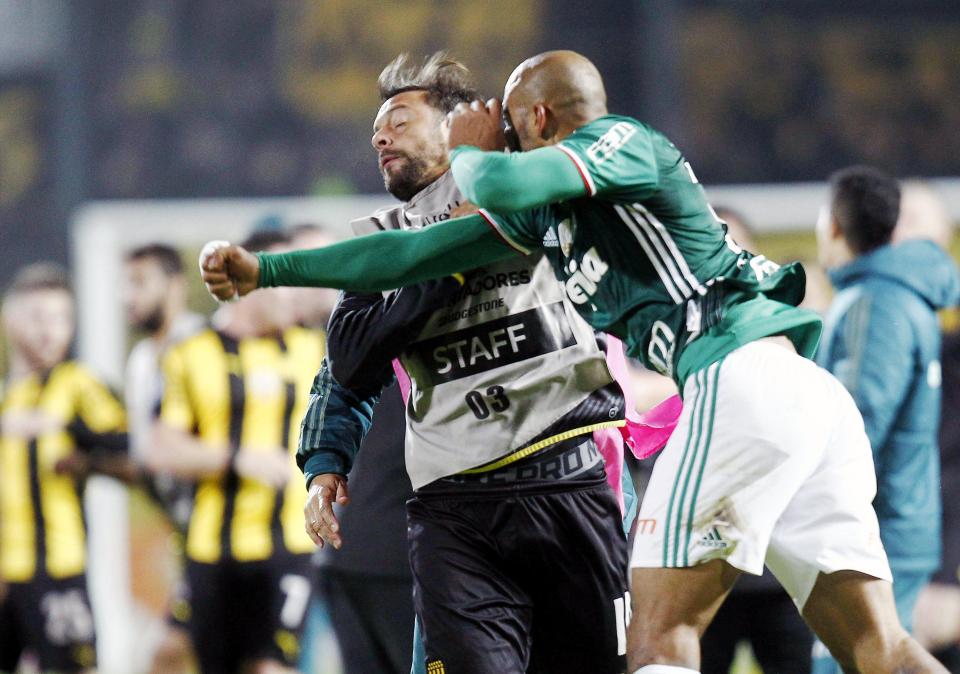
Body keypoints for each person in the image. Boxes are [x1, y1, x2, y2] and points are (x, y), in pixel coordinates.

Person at [199, 50, 947, 674]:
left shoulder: (618, 143)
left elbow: (500, 180)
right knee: (878, 646)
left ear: (537, 119)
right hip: (770, 401)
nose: (384, 138)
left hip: (726, 385)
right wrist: (268, 272)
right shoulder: (536, 213)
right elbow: (404, 253)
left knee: (656, 640)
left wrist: (470, 147)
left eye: (507, 119)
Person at [298, 53, 638, 674]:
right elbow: (343, 367)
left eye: (399, 121)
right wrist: (325, 462)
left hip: (570, 476)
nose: (380, 136)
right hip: (455, 509)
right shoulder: (381, 240)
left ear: (458, 125)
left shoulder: (534, 191)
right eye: (376, 129)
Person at [150, 230, 322, 674]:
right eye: (283, 276)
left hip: (289, 545)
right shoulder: (190, 354)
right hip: (212, 549)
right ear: (249, 279)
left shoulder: (314, 348)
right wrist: (235, 458)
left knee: (271, 668)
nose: (295, 290)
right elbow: (163, 448)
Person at [697, 208, 814, 674]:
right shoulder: (661, 331)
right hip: (703, 567)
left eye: (736, 247)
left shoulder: (786, 331)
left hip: (781, 568)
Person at [0, 263, 129, 674]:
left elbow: (126, 442)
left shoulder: (77, 384)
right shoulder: (6, 398)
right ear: (10, 320)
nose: (50, 331)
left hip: (59, 568)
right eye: (39, 317)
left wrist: (74, 441)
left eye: (61, 319)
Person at [122, 243, 205, 674]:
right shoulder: (140, 362)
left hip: (221, 529)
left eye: (139, 282)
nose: (127, 296)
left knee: (166, 654)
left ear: (175, 286)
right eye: (124, 284)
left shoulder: (203, 346)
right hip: (183, 532)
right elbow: (144, 459)